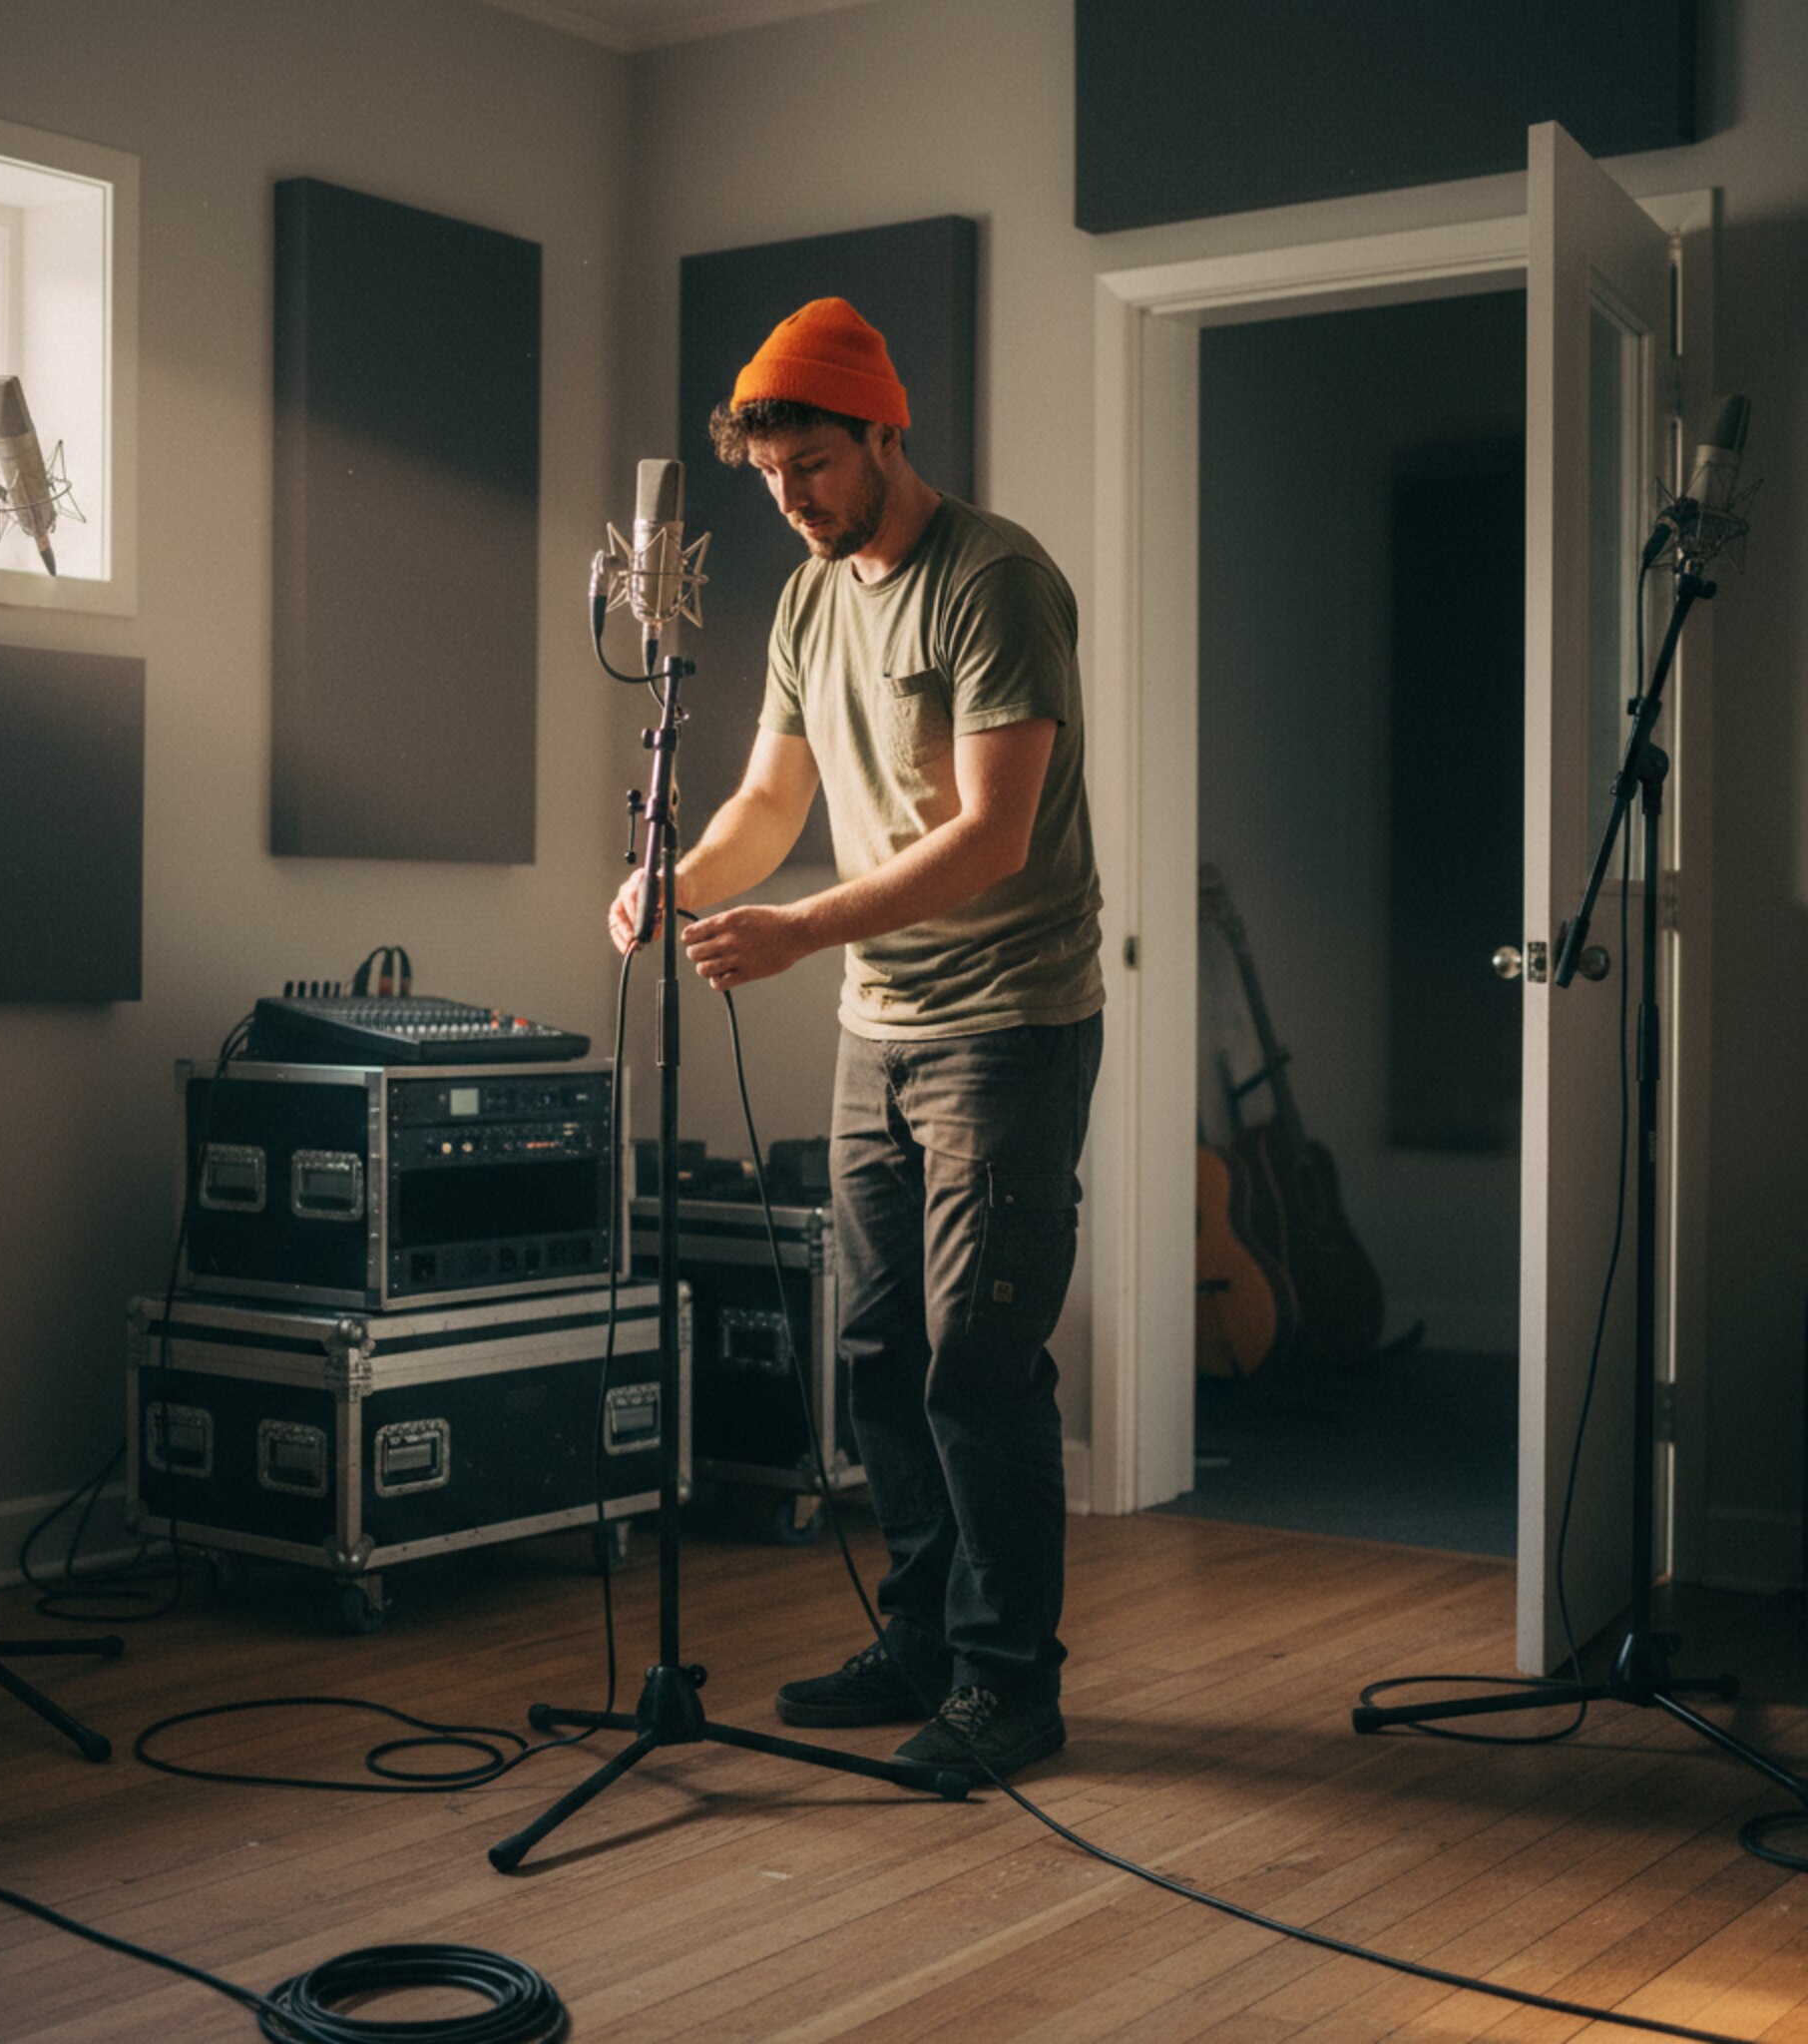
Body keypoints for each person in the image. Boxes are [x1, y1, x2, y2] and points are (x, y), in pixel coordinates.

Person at [607, 297, 1104, 1785]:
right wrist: (676, 880)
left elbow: (996, 837)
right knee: (881, 1354)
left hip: (1008, 1028)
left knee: (980, 1365)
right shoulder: (810, 599)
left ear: (887, 432)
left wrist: (799, 932)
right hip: (877, 1027)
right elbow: (769, 804)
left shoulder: (995, 581)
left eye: (814, 465)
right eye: (769, 476)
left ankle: (1014, 1686)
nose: (792, 499)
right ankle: (928, 1646)